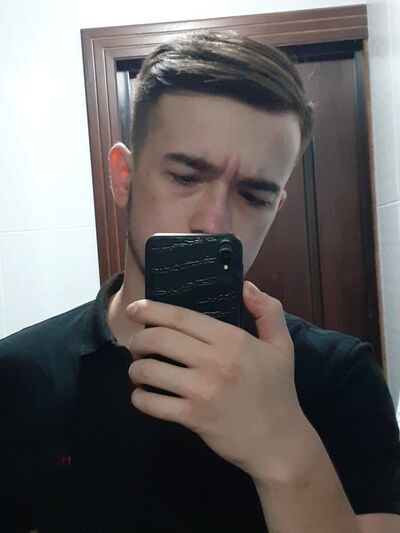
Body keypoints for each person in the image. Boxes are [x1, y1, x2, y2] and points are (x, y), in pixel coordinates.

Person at [0, 30, 399, 533]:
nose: (213, 222)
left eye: (253, 196)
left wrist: (285, 451)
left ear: (276, 209)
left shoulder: (342, 377)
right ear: (123, 176)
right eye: (186, 177)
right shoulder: (17, 376)